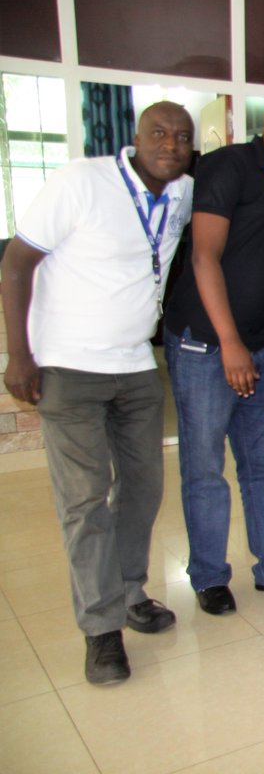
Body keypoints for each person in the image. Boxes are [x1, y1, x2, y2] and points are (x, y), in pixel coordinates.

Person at [2, 102, 195, 684]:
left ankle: (129, 592)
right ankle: (101, 629)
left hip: (136, 366)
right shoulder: (78, 182)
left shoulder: (182, 190)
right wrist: (19, 355)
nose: (170, 143)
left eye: (182, 137)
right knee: (86, 501)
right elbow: (15, 266)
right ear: (133, 138)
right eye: (158, 133)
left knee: (142, 488)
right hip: (68, 367)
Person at [163, 86, 264, 616]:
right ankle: (209, 576)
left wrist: (249, 344)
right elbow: (205, 259)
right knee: (205, 468)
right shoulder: (228, 165)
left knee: (262, 465)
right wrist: (230, 343)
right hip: (207, 344)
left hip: (261, 343)